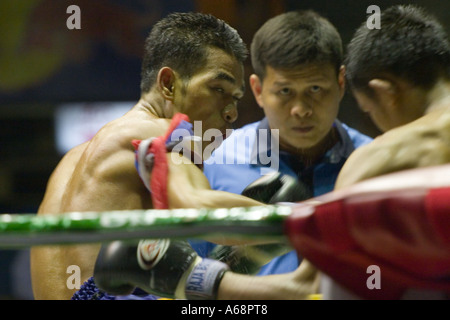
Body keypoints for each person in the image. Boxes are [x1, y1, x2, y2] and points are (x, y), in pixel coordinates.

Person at [30, 12, 266, 300]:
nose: (231, 112)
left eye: (236, 98)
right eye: (218, 89)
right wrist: (299, 217)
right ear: (168, 84)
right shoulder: (165, 133)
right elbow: (200, 210)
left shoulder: (71, 160)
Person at [196, 10, 372, 275]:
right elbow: (186, 280)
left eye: (315, 89)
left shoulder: (377, 163)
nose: (300, 109)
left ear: (340, 83)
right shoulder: (214, 162)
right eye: (285, 91)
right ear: (257, 90)